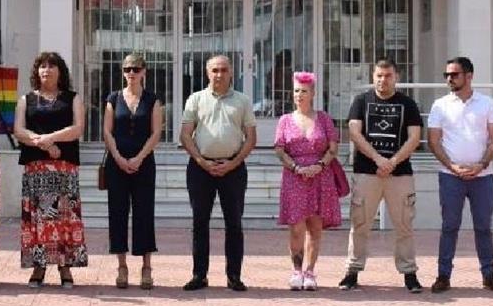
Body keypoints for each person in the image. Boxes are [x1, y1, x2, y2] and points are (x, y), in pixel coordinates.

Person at [339, 58, 425, 293]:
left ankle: (409, 274)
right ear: (372, 76)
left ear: (396, 77)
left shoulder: (408, 104)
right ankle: (352, 272)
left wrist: (393, 162)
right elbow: (355, 133)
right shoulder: (361, 101)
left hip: (400, 175)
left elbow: (414, 137)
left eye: (387, 75)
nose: (382, 80)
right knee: (360, 224)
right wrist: (378, 160)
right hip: (367, 173)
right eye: (378, 75)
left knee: (404, 225)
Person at [426, 57, 493, 294]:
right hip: (451, 176)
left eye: (454, 74)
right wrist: (452, 166)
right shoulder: (440, 105)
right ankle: (443, 276)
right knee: (450, 226)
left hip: (483, 176)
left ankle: (488, 275)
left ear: (469, 76)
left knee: (483, 227)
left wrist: (481, 165)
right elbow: (433, 141)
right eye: (447, 75)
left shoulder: (487, 103)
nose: (449, 79)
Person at [179, 54, 257, 292]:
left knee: (234, 223)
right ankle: (199, 275)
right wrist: (201, 161)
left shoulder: (242, 101)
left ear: (231, 72)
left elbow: (251, 138)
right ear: (207, 73)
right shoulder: (196, 99)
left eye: (224, 70)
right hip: (200, 169)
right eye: (214, 70)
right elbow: (185, 135)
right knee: (199, 223)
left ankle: (234, 276)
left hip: (233, 170)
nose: (219, 74)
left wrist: (232, 164)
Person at [14, 51, 87, 288]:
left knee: (64, 217)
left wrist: (51, 139)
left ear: (60, 71)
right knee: (39, 219)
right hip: (36, 168)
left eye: (51, 66)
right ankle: (38, 267)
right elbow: (19, 131)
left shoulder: (72, 98)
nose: (46, 70)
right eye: (42, 66)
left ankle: (65, 267)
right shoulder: (26, 99)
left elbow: (77, 128)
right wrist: (42, 143)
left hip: (63, 167)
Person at [273, 71, 340, 292]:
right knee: (296, 227)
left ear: (312, 94)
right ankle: (296, 270)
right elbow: (280, 149)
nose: (300, 95)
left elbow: (333, 148)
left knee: (315, 227)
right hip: (294, 176)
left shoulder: (324, 119)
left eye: (304, 91)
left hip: (320, 176)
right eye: (296, 91)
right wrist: (295, 167)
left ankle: (310, 272)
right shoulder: (285, 120)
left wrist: (319, 166)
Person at [102, 53, 162, 290]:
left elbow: (156, 132)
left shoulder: (152, 99)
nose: (132, 74)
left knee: (144, 213)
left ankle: (147, 267)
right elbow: (107, 131)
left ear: (144, 72)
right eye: (127, 69)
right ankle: (122, 266)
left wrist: (138, 158)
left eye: (136, 69)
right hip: (117, 164)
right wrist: (118, 157)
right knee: (117, 212)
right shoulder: (113, 98)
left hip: (144, 164)